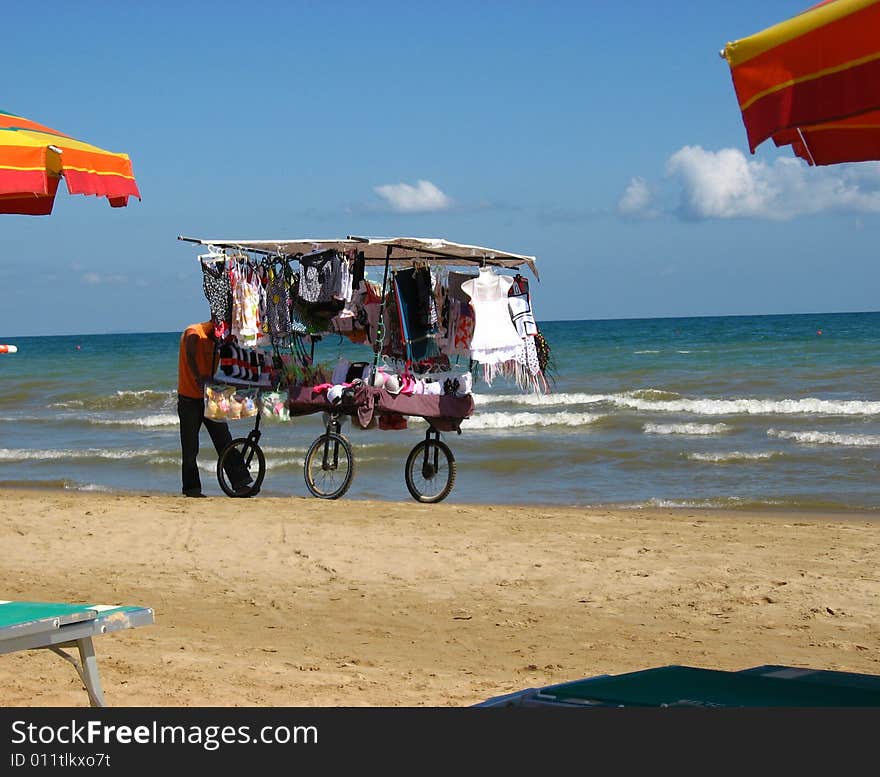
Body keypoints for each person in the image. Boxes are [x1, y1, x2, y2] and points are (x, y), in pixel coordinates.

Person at [177, 321, 251, 497]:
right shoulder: (193, 333)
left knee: (224, 440)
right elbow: (190, 354)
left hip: (211, 396)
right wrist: (198, 377)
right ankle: (191, 489)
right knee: (190, 446)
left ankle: (240, 483)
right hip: (189, 397)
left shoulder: (219, 340)